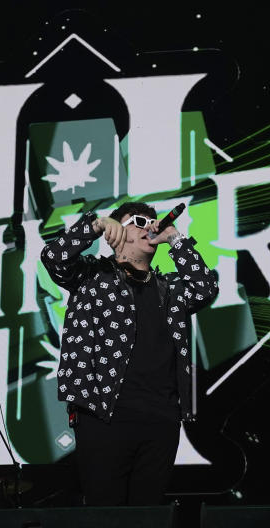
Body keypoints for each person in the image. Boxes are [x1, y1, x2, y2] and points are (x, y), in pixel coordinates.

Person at [40, 202, 219, 506]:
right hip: (104, 415)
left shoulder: (170, 287)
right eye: (138, 221)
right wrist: (95, 226)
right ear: (118, 230)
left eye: (153, 222)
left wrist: (175, 238)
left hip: (161, 419)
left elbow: (205, 287)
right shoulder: (91, 275)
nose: (150, 226)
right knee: (106, 517)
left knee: (148, 521)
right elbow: (54, 257)